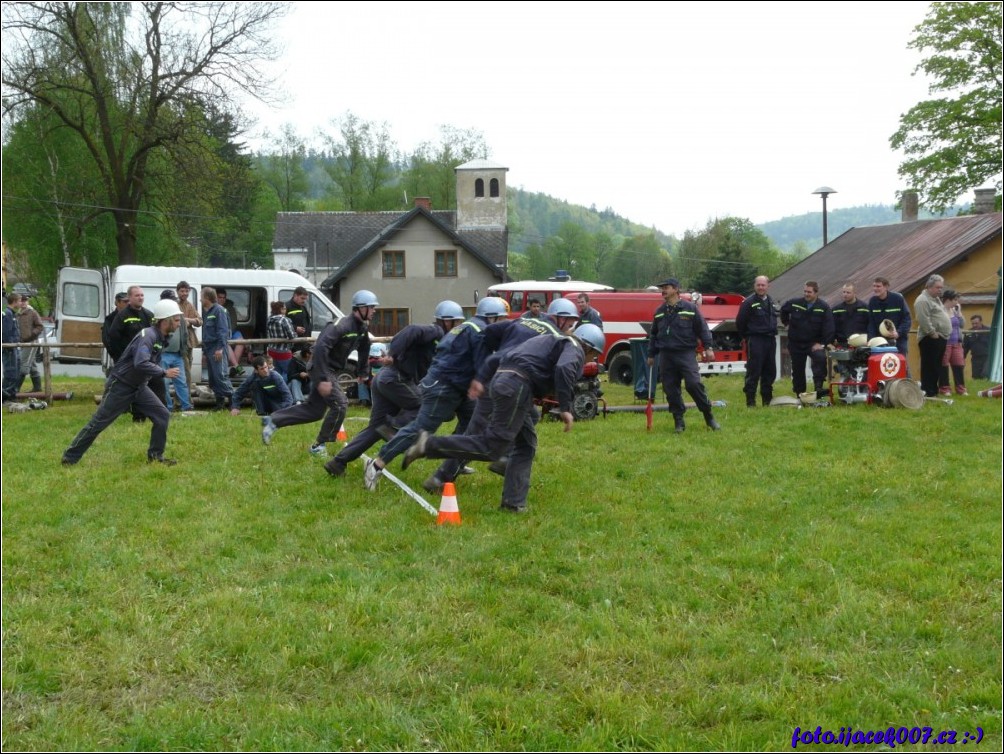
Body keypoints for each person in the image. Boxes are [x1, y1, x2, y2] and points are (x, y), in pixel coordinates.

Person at [401, 324, 605, 513]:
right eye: (593, 356)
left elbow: (499, 357)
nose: (589, 360)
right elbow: (564, 368)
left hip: (503, 380)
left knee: (526, 444)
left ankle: (513, 503)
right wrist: (565, 407)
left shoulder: (547, 341)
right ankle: (428, 445)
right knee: (492, 446)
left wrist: (481, 379)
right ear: (590, 349)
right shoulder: (574, 348)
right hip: (518, 386)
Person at [421, 297, 577, 493]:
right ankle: (439, 477)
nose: (571, 326)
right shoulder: (554, 335)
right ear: (559, 318)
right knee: (476, 433)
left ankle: (503, 459)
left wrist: (500, 352)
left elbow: (490, 331)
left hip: (500, 378)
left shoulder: (522, 320)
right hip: (510, 383)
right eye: (570, 321)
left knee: (531, 418)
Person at [361, 296, 507, 491]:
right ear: (492, 317)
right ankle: (377, 463)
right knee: (420, 429)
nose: (503, 323)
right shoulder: (480, 332)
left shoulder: (465, 327)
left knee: (472, 425)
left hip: (456, 386)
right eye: (501, 318)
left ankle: (452, 464)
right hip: (444, 387)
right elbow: (483, 365)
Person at [324, 301, 466, 478]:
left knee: (375, 428)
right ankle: (394, 427)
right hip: (395, 379)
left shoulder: (440, 341)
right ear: (446, 321)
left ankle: (338, 462)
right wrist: (392, 354)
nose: (458, 326)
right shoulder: (435, 330)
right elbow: (410, 330)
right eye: (457, 322)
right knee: (425, 408)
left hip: (385, 379)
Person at [62, 299, 184, 466]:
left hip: (138, 387)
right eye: (176, 320)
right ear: (165, 321)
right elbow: (140, 363)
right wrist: (163, 372)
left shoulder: (160, 337)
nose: (179, 324)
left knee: (162, 416)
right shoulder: (148, 335)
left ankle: (156, 457)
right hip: (121, 385)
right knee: (98, 423)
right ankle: (69, 458)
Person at [262, 290, 376, 458]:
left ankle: (273, 420)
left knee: (314, 411)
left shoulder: (361, 328)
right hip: (321, 367)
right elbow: (321, 346)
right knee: (340, 404)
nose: (374, 311)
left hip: (331, 370)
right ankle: (318, 446)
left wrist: (363, 373)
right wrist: (323, 378)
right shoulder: (342, 325)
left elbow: (365, 347)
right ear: (360, 308)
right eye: (371, 307)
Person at [646, 278, 721, 432]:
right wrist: (651, 354)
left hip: (685, 353)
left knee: (693, 384)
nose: (663, 291)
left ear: (675, 289)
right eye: (662, 288)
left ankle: (708, 415)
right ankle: (678, 421)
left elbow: (703, 328)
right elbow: (653, 335)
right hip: (666, 355)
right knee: (670, 389)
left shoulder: (690, 308)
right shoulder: (660, 312)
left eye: (666, 287)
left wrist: (708, 347)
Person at [107, 285, 166, 419]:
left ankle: (161, 414)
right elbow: (113, 338)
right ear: (129, 298)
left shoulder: (149, 315)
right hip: (133, 363)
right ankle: (139, 417)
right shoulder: (122, 316)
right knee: (137, 388)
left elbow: (158, 334)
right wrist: (122, 358)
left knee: (158, 386)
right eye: (137, 295)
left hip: (150, 360)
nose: (140, 298)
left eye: (142, 295)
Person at [780, 281, 834, 399]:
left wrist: (822, 343)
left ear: (816, 292)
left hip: (813, 343)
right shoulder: (795, 303)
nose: (806, 294)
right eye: (805, 291)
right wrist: (786, 323)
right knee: (798, 369)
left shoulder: (823, 307)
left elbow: (829, 327)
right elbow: (783, 310)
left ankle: (818, 388)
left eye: (809, 292)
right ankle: (800, 394)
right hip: (796, 343)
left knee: (820, 359)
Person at [735, 275, 778, 407]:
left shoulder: (771, 301)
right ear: (754, 286)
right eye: (758, 285)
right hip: (756, 340)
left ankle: (767, 400)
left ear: (768, 286)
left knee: (769, 371)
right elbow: (740, 322)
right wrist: (748, 337)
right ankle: (751, 402)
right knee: (754, 371)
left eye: (763, 285)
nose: (760, 287)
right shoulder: (748, 302)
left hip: (770, 340)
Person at [913, 274, 951, 398]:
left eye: (941, 287)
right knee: (929, 366)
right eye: (937, 287)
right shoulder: (922, 300)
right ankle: (928, 391)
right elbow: (923, 319)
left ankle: (933, 390)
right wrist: (932, 333)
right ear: (929, 287)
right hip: (930, 338)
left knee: (936, 366)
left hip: (940, 337)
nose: (940, 290)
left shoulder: (936, 299)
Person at [158, 289, 194, 412]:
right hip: (163, 355)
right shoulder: (159, 317)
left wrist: (183, 351)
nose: (173, 302)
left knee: (182, 382)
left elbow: (184, 334)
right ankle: (167, 408)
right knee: (164, 383)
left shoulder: (180, 316)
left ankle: (186, 407)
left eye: (173, 299)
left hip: (178, 355)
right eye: (169, 299)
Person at [200, 286, 235, 411]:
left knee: (220, 375)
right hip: (209, 348)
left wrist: (220, 348)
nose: (200, 299)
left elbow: (223, 331)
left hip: (217, 347)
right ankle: (219, 404)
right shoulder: (208, 311)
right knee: (213, 378)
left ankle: (233, 400)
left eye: (201, 296)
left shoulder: (219, 311)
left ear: (207, 298)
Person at [868, 277, 912, 356]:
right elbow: (871, 323)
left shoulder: (898, 299)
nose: (875, 288)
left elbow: (907, 319)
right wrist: (871, 339)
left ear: (886, 287)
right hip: (880, 341)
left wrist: (898, 333)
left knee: (899, 364)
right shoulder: (872, 302)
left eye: (878, 286)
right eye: (874, 286)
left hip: (898, 340)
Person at [175, 280, 202, 395]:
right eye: (182, 291)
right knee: (182, 372)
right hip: (176, 342)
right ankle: (183, 401)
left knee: (187, 371)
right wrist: (182, 321)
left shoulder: (190, 305)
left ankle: (182, 400)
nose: (184, 293)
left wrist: (188, 320)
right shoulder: (174, 304)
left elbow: (199, 321)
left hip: (189, 342)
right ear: (177, 292)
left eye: (187, 291)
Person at [939, 288, 967, 396]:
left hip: (957, 343)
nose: (957, 302)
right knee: (944, 365)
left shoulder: (954, 310)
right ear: (948, 300)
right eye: (955, 299)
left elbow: (962, 324)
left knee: (958, 365)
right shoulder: (941, 310)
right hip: (945, 342)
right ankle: (944, 388)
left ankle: (961, 388)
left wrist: (959, 312)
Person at [15, 294, 44, 393]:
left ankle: (15, 389)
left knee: (23, 365)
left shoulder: (33, 313)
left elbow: (40, 326)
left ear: (28, 302)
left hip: (31, 343)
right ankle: (37, 388)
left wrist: (32, 335)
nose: (23, 303)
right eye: (21, 301)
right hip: (22, 343)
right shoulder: (18, 314)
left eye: (25, 301)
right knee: (31, 364)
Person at [830, 282, 871, 346]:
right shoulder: (836, 310)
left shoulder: (865, 308)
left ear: (854, 293)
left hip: (861, 343)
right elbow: (832, 327)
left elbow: (870, 325)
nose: (845, 295)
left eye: (848, 292)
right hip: (842, 343)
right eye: (844, 292)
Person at [216, 288, 245, 376]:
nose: (222, 299)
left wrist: (228, 333)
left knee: (241, 340)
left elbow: (233, 324)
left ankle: (233, 368)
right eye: (219, 297)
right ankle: (236, 366)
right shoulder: (212, 308)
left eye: (223, 298)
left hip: (230, 331)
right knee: (225, 342)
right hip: (218, 333)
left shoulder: (230, 308)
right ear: (215, 298)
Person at [266, 300, 296, 381]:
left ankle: (276, 390)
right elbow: (292, 336)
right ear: (281, 309)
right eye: (285, 309)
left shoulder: (269, 319)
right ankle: (283, 389)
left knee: (276, 373)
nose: (286, 311)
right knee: (288, 372)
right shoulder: (284, 320)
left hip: (272, 350)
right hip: (284, 351)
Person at [2, 293, 22, 404]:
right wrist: (10, 346)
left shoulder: (14, 314)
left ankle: (12, 395)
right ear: (14, 302)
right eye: (19, 301)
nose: (20, 303)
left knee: (16, 372)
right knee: (10, 373)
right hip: (9, 348)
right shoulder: (8, 314)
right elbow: (6, 332)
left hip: (15, 347)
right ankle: (4, 397)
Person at [101, 291, 130, 360]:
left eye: (129, 301)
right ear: (117, 303)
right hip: (119, 357)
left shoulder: (133, 315)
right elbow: (107, 339)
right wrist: (116, 355)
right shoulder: (110, 318)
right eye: (125, 302)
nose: (128, 304)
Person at [964, 314, 990, 380]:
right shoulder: (969, 332)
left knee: (985, 374)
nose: (974, 325)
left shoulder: (989, 331)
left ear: (981, 322)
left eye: (976, 323)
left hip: (987, 357)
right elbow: (965, 347)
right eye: (973, 324)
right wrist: (962, 358)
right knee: (976, 377)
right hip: (975, 358)